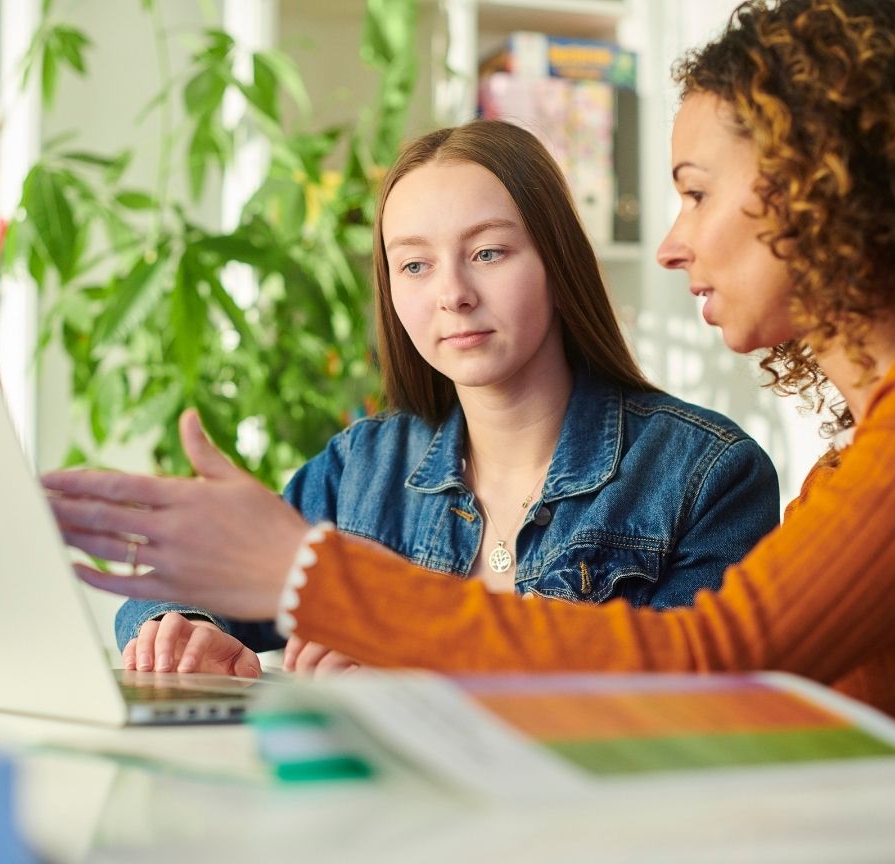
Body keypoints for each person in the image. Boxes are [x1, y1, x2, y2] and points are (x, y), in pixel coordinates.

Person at [45, 0, 895, 792]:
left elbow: (713, 673)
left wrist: (310, 578)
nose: (671, 244)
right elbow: (766, 716)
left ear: (824, 178)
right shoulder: (877, 434)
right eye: (412, 264)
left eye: (697, 193)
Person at [104, 119, 780, 678]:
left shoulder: (705, 474)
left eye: (487, 253)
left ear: (556, 260)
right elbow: (184, 581)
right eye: (415, 265)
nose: (451, 293)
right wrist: (183, 628)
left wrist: (421, 676)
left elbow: (695, 705)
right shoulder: (361, 469)